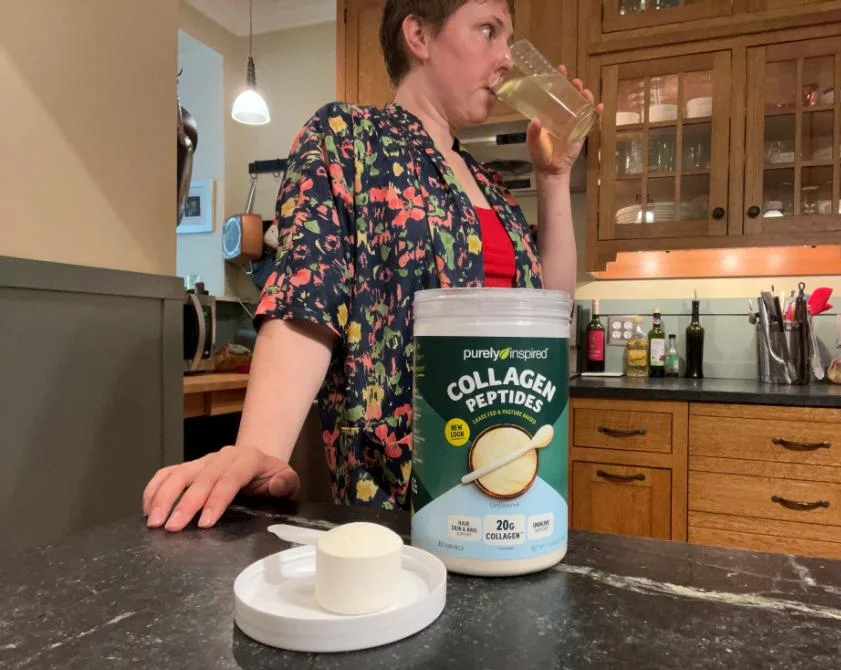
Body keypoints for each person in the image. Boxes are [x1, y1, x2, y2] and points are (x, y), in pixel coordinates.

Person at [143, 0, 602, 532]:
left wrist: (553, 175)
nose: (505, 59)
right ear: (420, 36)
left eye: (508, 39)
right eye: (488, 31)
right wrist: (259, 450)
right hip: (400, 511)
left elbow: (549, 312)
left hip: (515, 499)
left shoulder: (494, 188)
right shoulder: (349, 140)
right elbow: (307, 298)